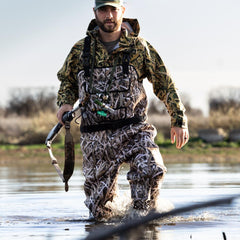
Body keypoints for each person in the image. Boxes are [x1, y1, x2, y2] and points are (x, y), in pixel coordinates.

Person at [56, 0, 189, 221]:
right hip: (95, 136)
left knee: (151, 169)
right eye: (103, 10)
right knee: (100, 214)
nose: (108, 15)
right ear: (95, 12)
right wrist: (65, 103)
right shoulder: (81, 49)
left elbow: (165, 83)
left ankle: (143, 220)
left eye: (113, 9)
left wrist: (179, 119)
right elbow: (67, 82)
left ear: (122, 11)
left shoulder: (140, 47)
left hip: (134, 130)